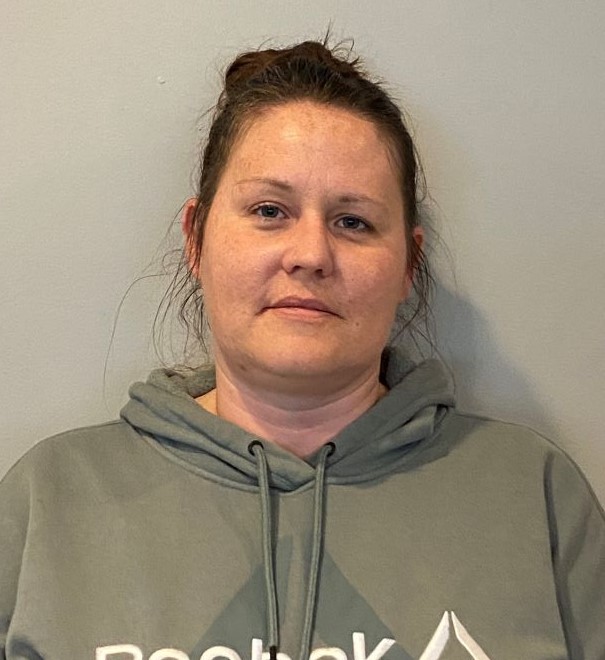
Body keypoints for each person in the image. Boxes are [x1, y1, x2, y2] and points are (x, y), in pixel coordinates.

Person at [1, 38, 604, 660]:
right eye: (270, 210)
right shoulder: (49, 504)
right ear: (196, 239)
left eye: (353, 222)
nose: (311, 254)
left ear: (408, 264)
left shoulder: (533, 496)